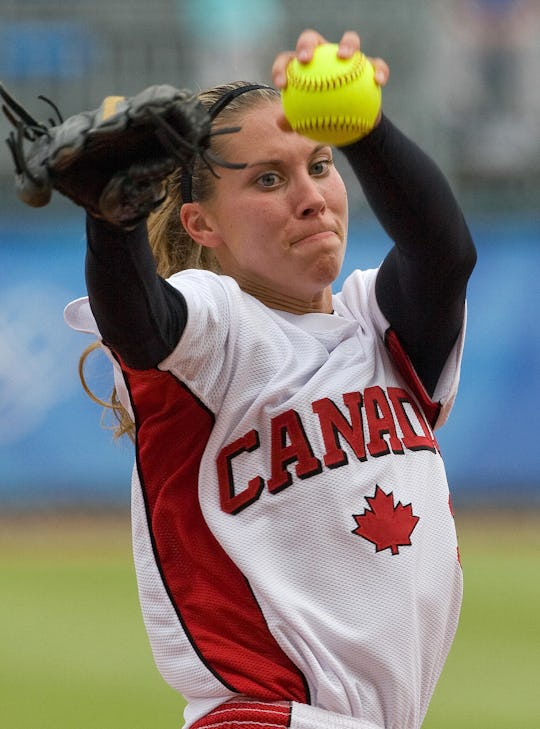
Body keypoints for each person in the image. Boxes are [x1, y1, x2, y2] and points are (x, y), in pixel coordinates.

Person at [65, 28, 476, 729]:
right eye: (267, 178)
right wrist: (114, 224)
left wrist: (366, 129)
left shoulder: (379, 330)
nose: (311, 196)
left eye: (319, 164)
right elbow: (142, 323)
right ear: (203, 224)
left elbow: (443, 253)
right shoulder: (217, 331)